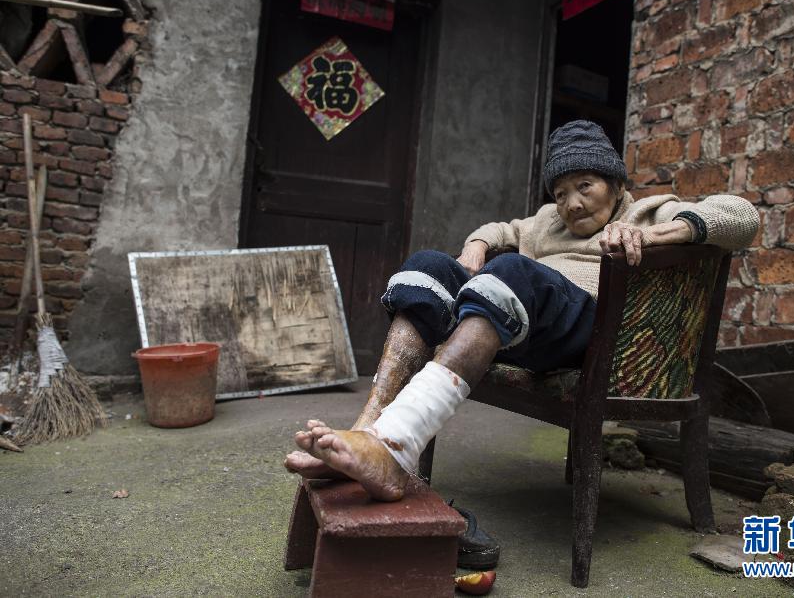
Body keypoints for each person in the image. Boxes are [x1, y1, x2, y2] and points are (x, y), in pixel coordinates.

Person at [284, 119, 759, 503]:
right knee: (428, 266)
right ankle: (368, 433)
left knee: (513, 269)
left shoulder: (647, 211)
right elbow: (502, 229)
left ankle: (398, 443)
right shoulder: (547, 221)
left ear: (616, 185)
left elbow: (741, 215)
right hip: (523, 322)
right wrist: (475, 246)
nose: (572, 204)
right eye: (561, 192)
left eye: (586, 186)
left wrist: (653, 235)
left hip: (590, 330)